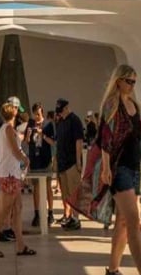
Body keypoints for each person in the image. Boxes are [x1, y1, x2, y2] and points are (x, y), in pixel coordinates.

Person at [96, 64, 141, 275]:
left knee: (123, 222)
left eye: (134, 82)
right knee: (134, 222)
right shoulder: (112, 104)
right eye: (128, 81)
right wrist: (106, 166)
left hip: (135, 167)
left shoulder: (134, 104)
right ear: (118, 80)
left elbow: (140, 138)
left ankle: (113, 269)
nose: (131, 85)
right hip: (120, 169)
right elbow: (106, 137)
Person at [0, 98, 35, 258]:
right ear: (13, 111)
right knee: (4, 211)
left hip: (11, 174)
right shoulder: (7, 129)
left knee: (17, 208)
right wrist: (25, 158)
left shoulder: (7, 129)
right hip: (9, 175)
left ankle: (20, 245)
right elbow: (15, 151)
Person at [52, 98, 84, 231]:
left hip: (71, 162)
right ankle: (69, 216)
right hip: (62, 162)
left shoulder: (74, 120)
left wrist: (78, 161)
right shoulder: (61, 122)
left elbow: (79, 142)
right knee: (65, 193)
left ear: (66, 108)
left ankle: (76, 218)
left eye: (61, 111)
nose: (60, 114)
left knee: (74, 191)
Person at [25, 102, 54, 226]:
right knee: (36, 187)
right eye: (35, 114)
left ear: (42, 111)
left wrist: (43, 133)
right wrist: (28, 135)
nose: (37, 116)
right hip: (35, 159)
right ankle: (37, 213)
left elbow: (52, 142)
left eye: (38, 113)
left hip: (45, 158)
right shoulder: (30, 124)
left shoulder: (48, 124)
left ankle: (50, 213)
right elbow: (27, 142)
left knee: (47, 186)